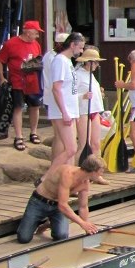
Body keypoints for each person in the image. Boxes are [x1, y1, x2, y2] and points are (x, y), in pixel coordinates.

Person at [16, 155, 105, 243]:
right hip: (39, 202)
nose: (102, 174)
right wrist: (82, 223)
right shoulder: (68, 174)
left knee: (61, 236)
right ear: (93, 171)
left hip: (56, 207)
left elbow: (83, 207)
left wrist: (87, 227)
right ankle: (33, 222)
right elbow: (62, 205)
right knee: (24, 238)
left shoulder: (85, 183)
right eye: (101, 171)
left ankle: (50, 224)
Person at [0, 20, 44, 150]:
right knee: (18, 108)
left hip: (33, 81)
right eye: (36, 32)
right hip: (18, 81)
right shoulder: (11, 43)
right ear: (28, 32)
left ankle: (33, 132)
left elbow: (39, 60)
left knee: (35, 107)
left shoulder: (36, 45)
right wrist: (2, 77)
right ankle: (18, 136)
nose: (37, 36)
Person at [47, 32, 85, 168]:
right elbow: (56, 88)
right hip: (62, 110)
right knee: (71, 149)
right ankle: (47, 177)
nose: (81, 51)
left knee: (70, 149)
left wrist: (75, 113)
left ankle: (67, 180)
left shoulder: (67, 61)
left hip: (71, 109)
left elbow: (70, 89)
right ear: (72, 45)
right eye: (80, 48)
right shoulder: (60, 61)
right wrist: (64, 112)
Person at [74, 46, 106, 161]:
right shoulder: (77, 74)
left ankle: (95, 169)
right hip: (83, 111)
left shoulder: (91, 74)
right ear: (88, 62)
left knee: (96, 143)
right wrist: (83, 96)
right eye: (96, 62)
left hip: (94, 110)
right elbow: (70, 94)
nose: (97, 65)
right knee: (83, 144)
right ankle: (76, 169)